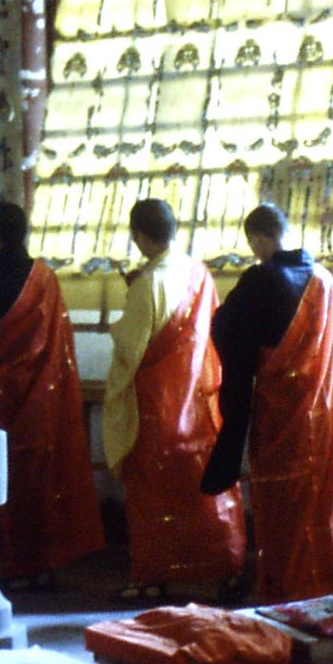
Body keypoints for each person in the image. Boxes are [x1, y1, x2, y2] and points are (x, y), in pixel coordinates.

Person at [201, 203, 333, 602]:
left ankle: (285, 589)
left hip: (281, 415)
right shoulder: (325, 281)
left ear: (258, 239)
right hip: (327, 416)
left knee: (284, 507)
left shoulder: (261, 279)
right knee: (321, 505)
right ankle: (325, 586)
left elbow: (224, 327)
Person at [105, 198, 247, 601]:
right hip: (198, 400)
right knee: (205, 486)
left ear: (138, 236)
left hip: (156, 405)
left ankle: (152, 575)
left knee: (152, 493)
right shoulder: (198, 272)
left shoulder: (149, 282)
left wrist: (124, 315)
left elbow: (131, 346)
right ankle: (227, 566)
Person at [0, 201, 105, 588]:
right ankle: (41, 564)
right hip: (40, 399)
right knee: (38, 482)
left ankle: (7, 566)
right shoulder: (44, 277)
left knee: (1, 481)